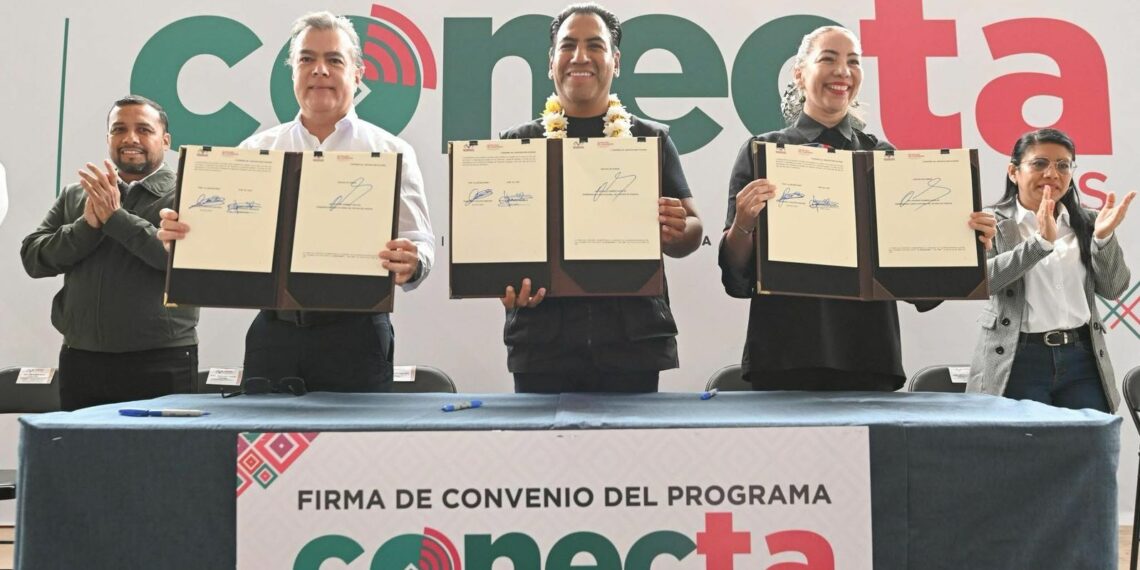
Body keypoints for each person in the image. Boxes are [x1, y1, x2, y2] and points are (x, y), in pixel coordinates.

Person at [158, 11, 434, 392]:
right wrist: (186, 238)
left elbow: (420, 241)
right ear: (293, 72)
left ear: (358, 73)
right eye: (307, 59)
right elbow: (222, 240)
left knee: (355, 452)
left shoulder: (390, 152)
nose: (319, 70)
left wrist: (412, 262)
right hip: (274, 337)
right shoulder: (256, 152)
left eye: (334, 60)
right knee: (266, 449)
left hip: (357, 339)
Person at [718, 25, 996, 391]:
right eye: (828, 59)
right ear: (800, 74)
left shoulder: (884, 158)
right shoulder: (763, 152)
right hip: (783, 352)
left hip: (869, 354)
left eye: (853, 62)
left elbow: (920, 288)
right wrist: (743, 223)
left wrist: (965, 244)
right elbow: (735, 275)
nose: (843, 72)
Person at [497, 3, 703, 393]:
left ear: (616, 61)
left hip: (632, 344)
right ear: (551, 61)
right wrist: (500, 277)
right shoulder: (519, 143)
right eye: (567, 45)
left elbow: (693, 228)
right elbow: (502, 239)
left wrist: (678, 228)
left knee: (631, 455)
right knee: (542, 455)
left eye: (595, 45)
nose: (580, 57)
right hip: (542, 345)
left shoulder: (650, 139)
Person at [21, 96, 199, 410]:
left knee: (160, 458)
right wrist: (86, 226)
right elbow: (34, 259)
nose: (130, 138)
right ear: (108, 139)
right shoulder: (77, 194)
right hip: (81, 360)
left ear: (166, 140)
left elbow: (183, 262)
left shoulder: (190, 193)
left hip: (162, 360)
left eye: (144, 129)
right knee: (84, 458)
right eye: (119, 129)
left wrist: (115, 219)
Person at [967, 129, 1133, 411]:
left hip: (1082, 358)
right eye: (1040, 163)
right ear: (1013, 171)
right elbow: (983, 282)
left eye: (1063, 165)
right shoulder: (990, 222)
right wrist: (1039, 244)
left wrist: (1103, 239)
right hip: (1018, 358)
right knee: (1022, 451)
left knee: (1087, 449)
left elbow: (1113, 288)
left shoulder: (1088, 221)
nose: (1052, 174)